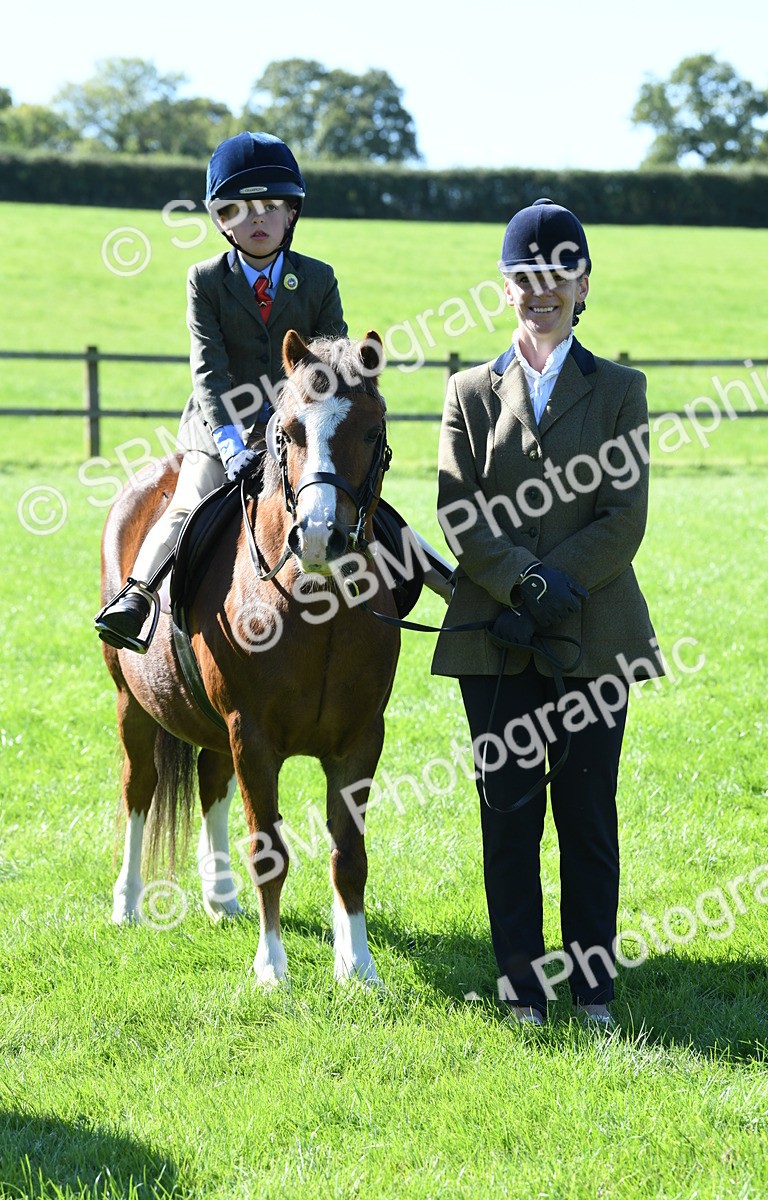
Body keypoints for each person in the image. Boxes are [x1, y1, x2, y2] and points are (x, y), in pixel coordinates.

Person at [432, 199, 663, 1028]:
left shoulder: (622, 392)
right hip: (494, 641)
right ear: (506, 289)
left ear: (584, 285)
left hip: (595, 638)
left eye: (558, 275)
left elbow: (623, 517)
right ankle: (522, 990)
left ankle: (594, 991)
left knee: (589, 818)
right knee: (509, 819)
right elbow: (458, 510)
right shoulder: (467, 391)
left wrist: (554, 583)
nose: (543, 291)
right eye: (527, 277)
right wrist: (522, 584)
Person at [96, 132, 451, 651]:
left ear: (291, 215)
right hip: (220, 433)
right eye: (240, 210)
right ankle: (139, 595)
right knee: (187, 502)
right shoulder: (205, 281)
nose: (256, 220)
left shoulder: (318, 278)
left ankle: (452, 585)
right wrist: (232, 444)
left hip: (302, 430)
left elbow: (335, 361)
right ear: (222, 220)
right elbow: (209, 370)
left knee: (368, 508)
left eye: (270, 208)